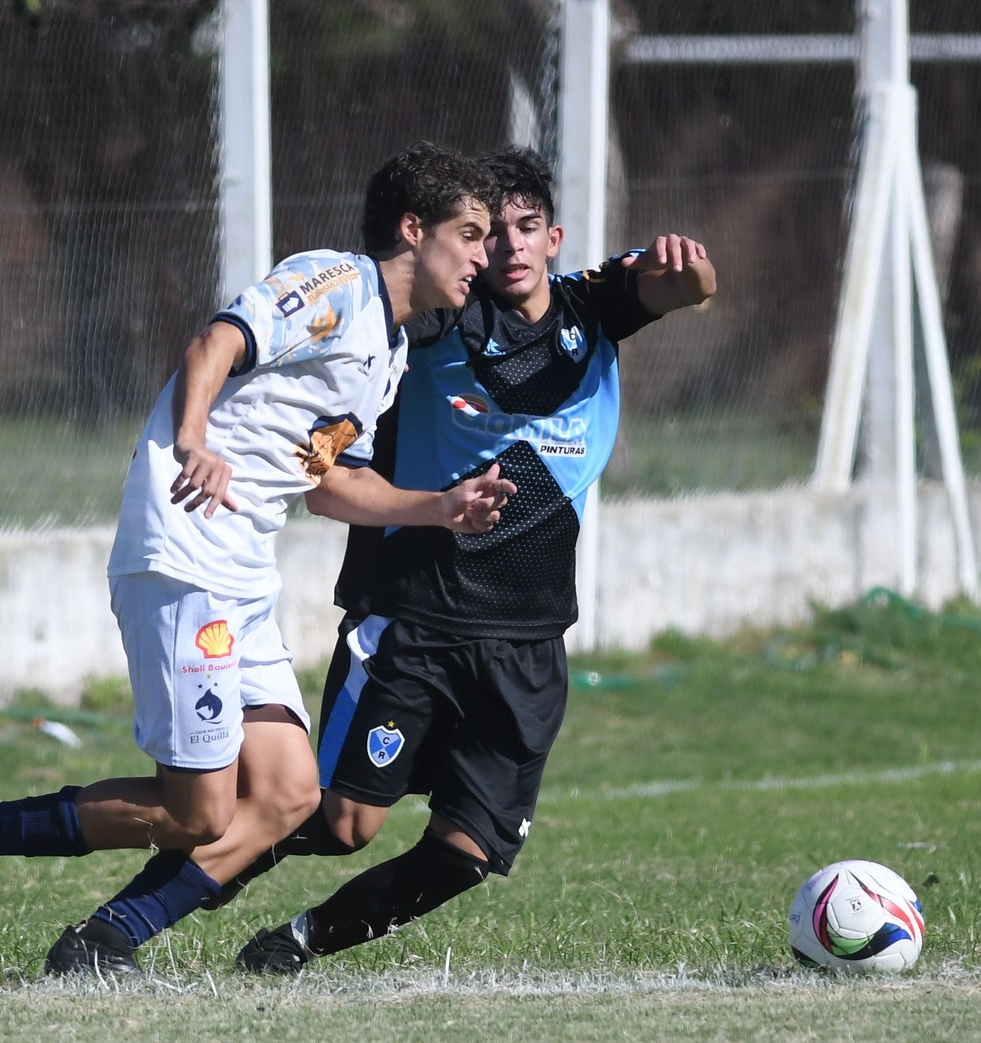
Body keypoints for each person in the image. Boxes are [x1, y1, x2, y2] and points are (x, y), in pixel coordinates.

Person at [0, 141, 514, 978]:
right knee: (200, 810)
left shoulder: (386, 354)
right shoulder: (339, 286)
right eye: (470, 232)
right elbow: (216, 342)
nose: (482, 254)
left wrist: (439, 511)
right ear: (413, 229)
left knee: (287, 794)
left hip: (242, 574)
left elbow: (326, 485)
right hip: (186, 553)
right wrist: (194, 439)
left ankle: (103, 942)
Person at [224, 145, 717, 974]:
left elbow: (683, 290)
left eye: (528, 229)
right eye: (493, 233)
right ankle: (144, 909)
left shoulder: (591, 306)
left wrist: (692, 268)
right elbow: (355, 374)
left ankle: (294, 943)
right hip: (415, 621)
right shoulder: (444, 320)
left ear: (553, 236)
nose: (511, 248)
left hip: (528, 639)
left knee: (465, 851)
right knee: (342, 821)